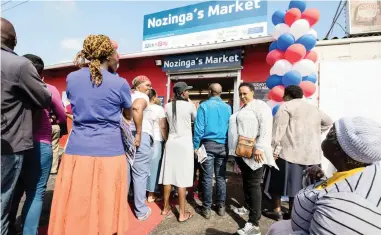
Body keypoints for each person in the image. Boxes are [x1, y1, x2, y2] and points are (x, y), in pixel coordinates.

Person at [48, 34, 131, 235]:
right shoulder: (120, 83)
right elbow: (127, 114)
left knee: (78, 201)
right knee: (106, 202)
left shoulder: (72, 78)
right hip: (110, 151)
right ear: (109, 55)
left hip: (77, 150)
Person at [267, 116, 381, 235]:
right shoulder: (360, 172)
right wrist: (322, 181)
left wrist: (279, 231)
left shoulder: (342, 206)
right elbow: (339, 187)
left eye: (330, 134)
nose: (325, 135)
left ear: (338, 149)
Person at [1, 17, 52, 235]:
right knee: (7, 199)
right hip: (9, 145)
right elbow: (45, 99)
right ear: (14, 40)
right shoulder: (19, 65)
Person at [7, 54, 66, 235]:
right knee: (36, 192)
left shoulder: (12, 87)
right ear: (41, 72)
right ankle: (29, 232)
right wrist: (56, 120)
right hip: (40, 145)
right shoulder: (48, 88)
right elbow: (62, 115)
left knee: (13, 191)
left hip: (14, 144)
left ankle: (8, 228)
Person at [264, 85, 333, 220]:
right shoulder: (313, 108)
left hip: (289, 153)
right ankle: (294, 212)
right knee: (303, 186)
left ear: (288, 95)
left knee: (277, 182)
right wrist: (316, 132)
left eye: (284, 95)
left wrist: (272, 150)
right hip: (311, 155)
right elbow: (328, 122)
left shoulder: (286, 106)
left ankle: (277, 211)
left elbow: (278, 131)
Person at [228, 82, 275, 235]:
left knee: (254, 185)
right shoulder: (243, 107)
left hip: (255, 153)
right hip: (242, 153)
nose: (242, 96)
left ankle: (254, 224)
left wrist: (260, 147)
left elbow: (266, 127)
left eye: (245, 93)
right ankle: (247, 207)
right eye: (240, 94)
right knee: (247, 183)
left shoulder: (260, 106)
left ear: (253, 92)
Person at [159, 82, 196, 223]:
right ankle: (182, 213)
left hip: (171, 143)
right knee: (182, 178)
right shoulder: (189, 106)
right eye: (187, 91)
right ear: (182, 93)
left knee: (168, 176)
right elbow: (196, 118)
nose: (188, 93)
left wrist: (168, 139)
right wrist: (190, 102)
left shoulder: (167, 106)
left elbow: (163, 125)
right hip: (185, 144)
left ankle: (165, 208)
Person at [193, 83, 231, 218]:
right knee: (221, 177)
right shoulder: (228, 107)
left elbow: (199, 128)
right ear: (220, 93)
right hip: (223, 145)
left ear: (209, 92)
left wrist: (195, 146)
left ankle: (207, 208)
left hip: (207, 145)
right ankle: (221, 207)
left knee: (207, 178)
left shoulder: (204, 106)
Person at [128, 75, 153, 221]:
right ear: (138, 86)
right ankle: (141, 211)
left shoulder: (128, 96)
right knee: (140, 174)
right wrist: (138, 132)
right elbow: (137, 107)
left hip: (126, 135)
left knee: (127, 172)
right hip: (140, 136)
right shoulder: (141, 97)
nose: (149, 88)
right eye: (147, 85)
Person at [147, 89, 168, 203]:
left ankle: (141, 192)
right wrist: (167, 140)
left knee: (143, 166)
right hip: (156, 140)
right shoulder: (159, 109)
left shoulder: (142, 107)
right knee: (154, 167)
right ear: (154, 97)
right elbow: (163, 127)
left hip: (144, 140)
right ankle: (151, 194)